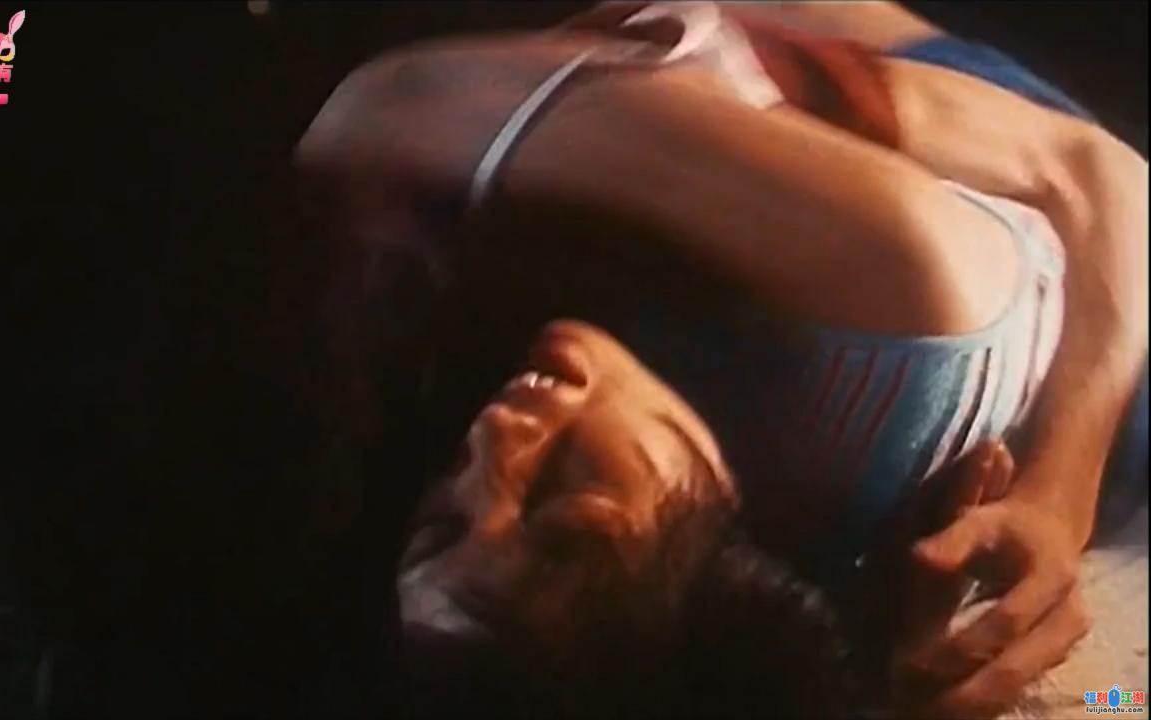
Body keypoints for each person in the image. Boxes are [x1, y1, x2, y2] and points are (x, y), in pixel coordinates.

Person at [296, 2, 1147, 717]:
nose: (494, 442)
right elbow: (1090, 169)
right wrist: (1060, 492)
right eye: (562, 514)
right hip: (1066, 262)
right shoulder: (894, 288)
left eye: (441, 527)